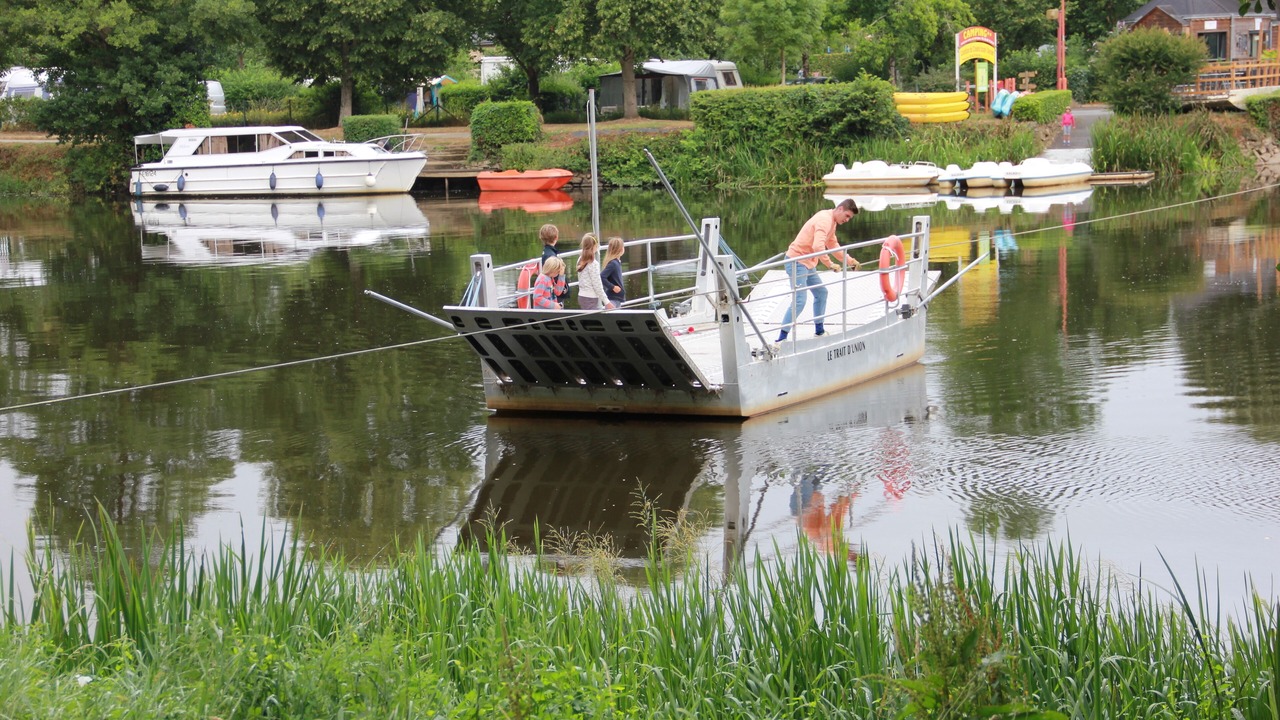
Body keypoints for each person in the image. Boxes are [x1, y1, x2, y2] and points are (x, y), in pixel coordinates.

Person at [777, 198, 860, 342]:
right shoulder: (824, 220)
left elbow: (833, 246)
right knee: (800, 301)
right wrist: (829, 264)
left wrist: (850, 261)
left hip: (807, 262)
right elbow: (817, 247)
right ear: (840, 209)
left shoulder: (831, 221)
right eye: (847, 216)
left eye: (850, 218)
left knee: (821, 293)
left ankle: (819, 331)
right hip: (797, 262)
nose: (847, 220)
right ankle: (781, 339)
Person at [575, 233, 614, 311]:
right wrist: (606, 302)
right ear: (595, 246)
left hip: (582, 296)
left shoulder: (580, 259)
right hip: (590, 298)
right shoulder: (593, 264)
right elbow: (597, 285)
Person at [539, 223, 569, 305]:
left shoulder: (546, 252)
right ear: (556, 237)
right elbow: (555, 277)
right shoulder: (551, 255)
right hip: (554, 294)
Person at [600, 236, 626, 307]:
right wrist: (613, 287)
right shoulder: (613, 264)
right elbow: (602, 276)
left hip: (617, 298)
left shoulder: (617, 262)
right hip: (613, 298)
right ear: (621, 249)